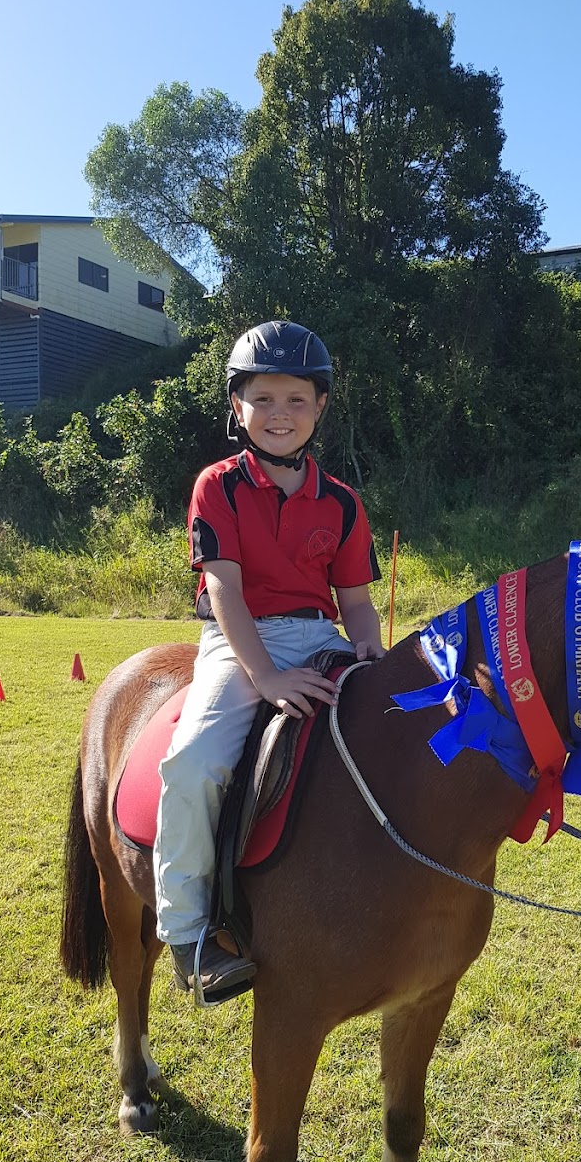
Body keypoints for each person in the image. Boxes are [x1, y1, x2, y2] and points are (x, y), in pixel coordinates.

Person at [153, 320, 384, 1002]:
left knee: (391, 737)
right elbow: (223, 589)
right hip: (239, 638)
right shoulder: (216, 486)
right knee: (194, 761)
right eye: (263, 399)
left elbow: (356, 602)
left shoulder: (342, 502)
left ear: (320, 408)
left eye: (295, 400)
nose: (279, 414)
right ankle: (189, 935)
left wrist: (369, 647)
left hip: (321, 635)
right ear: (237, 407)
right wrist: (267, 677)